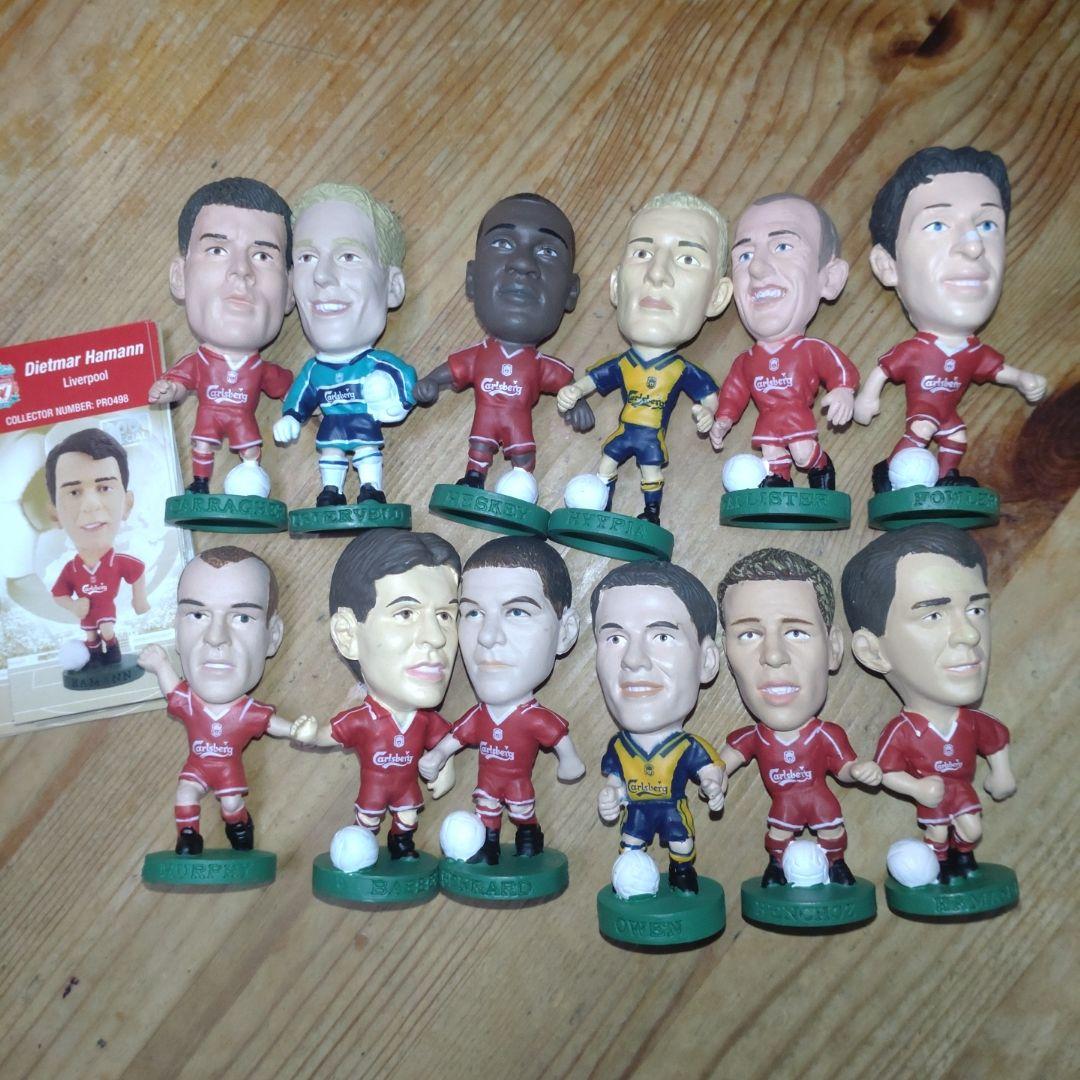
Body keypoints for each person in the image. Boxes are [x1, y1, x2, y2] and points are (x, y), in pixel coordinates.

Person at [854, 147, 1047, 491]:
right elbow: (884, 370)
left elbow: (997, 370)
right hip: (925, 410)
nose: (973, 246)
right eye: (938, 225)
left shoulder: (972, 352)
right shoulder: (917, 350)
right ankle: (891, 473)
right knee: (922, 431)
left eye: (986, 224)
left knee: (956, 438)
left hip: (947, 413)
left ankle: (945, 478)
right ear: (887, 265)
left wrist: (1022, 379)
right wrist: (868, 397)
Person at [841, 524, 1016, 880]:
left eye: (976, 610)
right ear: (872, 652)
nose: (969, 634)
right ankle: (942, 863)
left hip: (961, 793)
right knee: (937, 833)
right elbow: (889, 771)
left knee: (971, 830)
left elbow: (995, 741)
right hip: (934, 798)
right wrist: (918, 787)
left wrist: (1002, 773)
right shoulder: (902, 732)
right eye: (933, 615)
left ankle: (962, 857)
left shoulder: (972, 723)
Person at [557, 192, 732, 523]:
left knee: (650, 472)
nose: (657, 273)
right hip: (626, 430)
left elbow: (710, 397)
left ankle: (651, 513)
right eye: (642, 253)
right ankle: (601, 505)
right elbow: (593, 380)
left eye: (688, 259)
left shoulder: (680, 369)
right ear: (615, 285)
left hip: (651, 435)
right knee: (606, 464)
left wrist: (709, 413)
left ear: (717, 296)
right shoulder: (624, 363)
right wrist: (575, 390)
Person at [716, 548, 881, 887]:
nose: (774, 656)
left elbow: (843, 766)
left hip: (819, 799)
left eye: (796, 632)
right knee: (778, 831)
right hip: (786, 803)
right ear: (725, 653)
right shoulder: (755, 737)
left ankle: (837, 863)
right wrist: (713, 775)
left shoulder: (825, 735)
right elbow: (723, 762)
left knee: (830, 827)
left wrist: (855, 771)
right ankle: (776, 865)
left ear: (833, 648)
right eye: (749, 634)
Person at [292, 530, 460, 860]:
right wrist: (311, 736)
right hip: (373, 792)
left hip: (406, 792)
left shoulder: (425, 722)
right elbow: (331, 734)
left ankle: (402, 845)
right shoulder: (364, 718)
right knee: (367, 822)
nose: (436, 637)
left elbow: (445, 743)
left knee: (407, 819)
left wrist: (446, 764)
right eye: (406, 614)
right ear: (347, 635)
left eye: (444, 615)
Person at [419, 536, 585, 864]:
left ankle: (528, 838)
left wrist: (570, 762)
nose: (487, 636)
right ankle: (489, 843)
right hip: (488, 783)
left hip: (518, 784)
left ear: (564, 632)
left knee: (523, 811)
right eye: (472, 613)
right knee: (486, 810)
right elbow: (456, 737)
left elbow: (559, 740)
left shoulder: (533, 718)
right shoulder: (480, 716)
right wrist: (437, 755)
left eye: (517, 612)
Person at [415, 193, 592, 493]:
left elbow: (567, 383)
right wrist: (431, 381)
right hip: (485, 419)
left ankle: (521, 482)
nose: (523, 264)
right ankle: (474, 477)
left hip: (517, 422)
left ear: (571, 292)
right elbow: (453, 370)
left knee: (522, 451)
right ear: (471, 278)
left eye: (548, 251)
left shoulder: (538, 365)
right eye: (503, 243)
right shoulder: (480, 355)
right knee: (479, 446)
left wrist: (579, 401)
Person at [139, 547, 308, 854]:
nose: (216, 637)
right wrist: (160, 665)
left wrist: (295, 729)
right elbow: (172, 690)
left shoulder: (244, 712)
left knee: (231, 803)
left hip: (228, 771)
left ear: (273, 636)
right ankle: (188, 836)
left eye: (242, 617)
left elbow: (271, 723)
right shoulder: (191, 703)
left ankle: (239, 826)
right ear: (176, 630)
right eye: (197, 615)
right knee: (185, 794)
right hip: (197, 766)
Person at [149, 177, 295, 495]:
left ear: (290, 291)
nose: (240, 270)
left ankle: (251, 474)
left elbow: (287, 388)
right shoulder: (200, 363)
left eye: (263, 256)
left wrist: (304, 401)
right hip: (209, 417)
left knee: (250, 449)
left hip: (242, 420)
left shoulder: (259, 370)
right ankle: (200, 483)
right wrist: (169, 389)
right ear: (179, 276)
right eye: (217, 250)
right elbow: (181, 381)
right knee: (203, 444)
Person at [273, 183, 415, 506]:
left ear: (392, 287)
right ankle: (331, 490)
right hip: (333, 427)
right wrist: (291, 417)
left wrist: (398, 399)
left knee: (367, 454)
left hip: (364, 423)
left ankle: (371, 488)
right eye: (307, 257)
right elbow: (300, 396)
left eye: (349, 256)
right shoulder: (314, 372)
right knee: (332, 457)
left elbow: (406, 381)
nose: (322, 275)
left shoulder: (376, 365)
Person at [592, 560, 725, 894]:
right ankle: (632, 881)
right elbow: (615, 779)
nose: (633, 659)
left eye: (662, 636)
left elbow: (710, 770)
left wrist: (712, 784)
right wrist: (612, 794)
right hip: (637, 809)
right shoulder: (619, 747)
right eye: (615, 638)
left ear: (707, 660)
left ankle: (682, 872)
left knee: (681, 842)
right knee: (631, 843)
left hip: (671, 807)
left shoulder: (686, 746)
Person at [710, 194, 858, 490]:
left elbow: (838, 367)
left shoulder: (810, 350)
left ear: (829, 278)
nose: (756, 268)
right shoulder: (746, 361)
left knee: (802, 454)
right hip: (768, 419)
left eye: (782, 247)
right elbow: (734, 391)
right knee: (772, 455)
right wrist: (724, 417)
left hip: (795, 415)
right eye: (744, 256)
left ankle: (820, 468)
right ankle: (780, 482)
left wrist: (843, 390)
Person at [48, 428, 148, 665]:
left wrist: (139, 600)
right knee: (91, 635)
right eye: (74, 492)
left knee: (106, 629)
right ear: (55, 514)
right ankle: (94, 657)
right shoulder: (71, 569)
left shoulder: (119, 562)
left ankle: (112, 652)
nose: (90, 505)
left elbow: (138, 573)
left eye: (104, 488)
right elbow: (58, 594)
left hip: (105, 611)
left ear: (127, 504)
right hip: (86, 614)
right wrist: (73, 605)